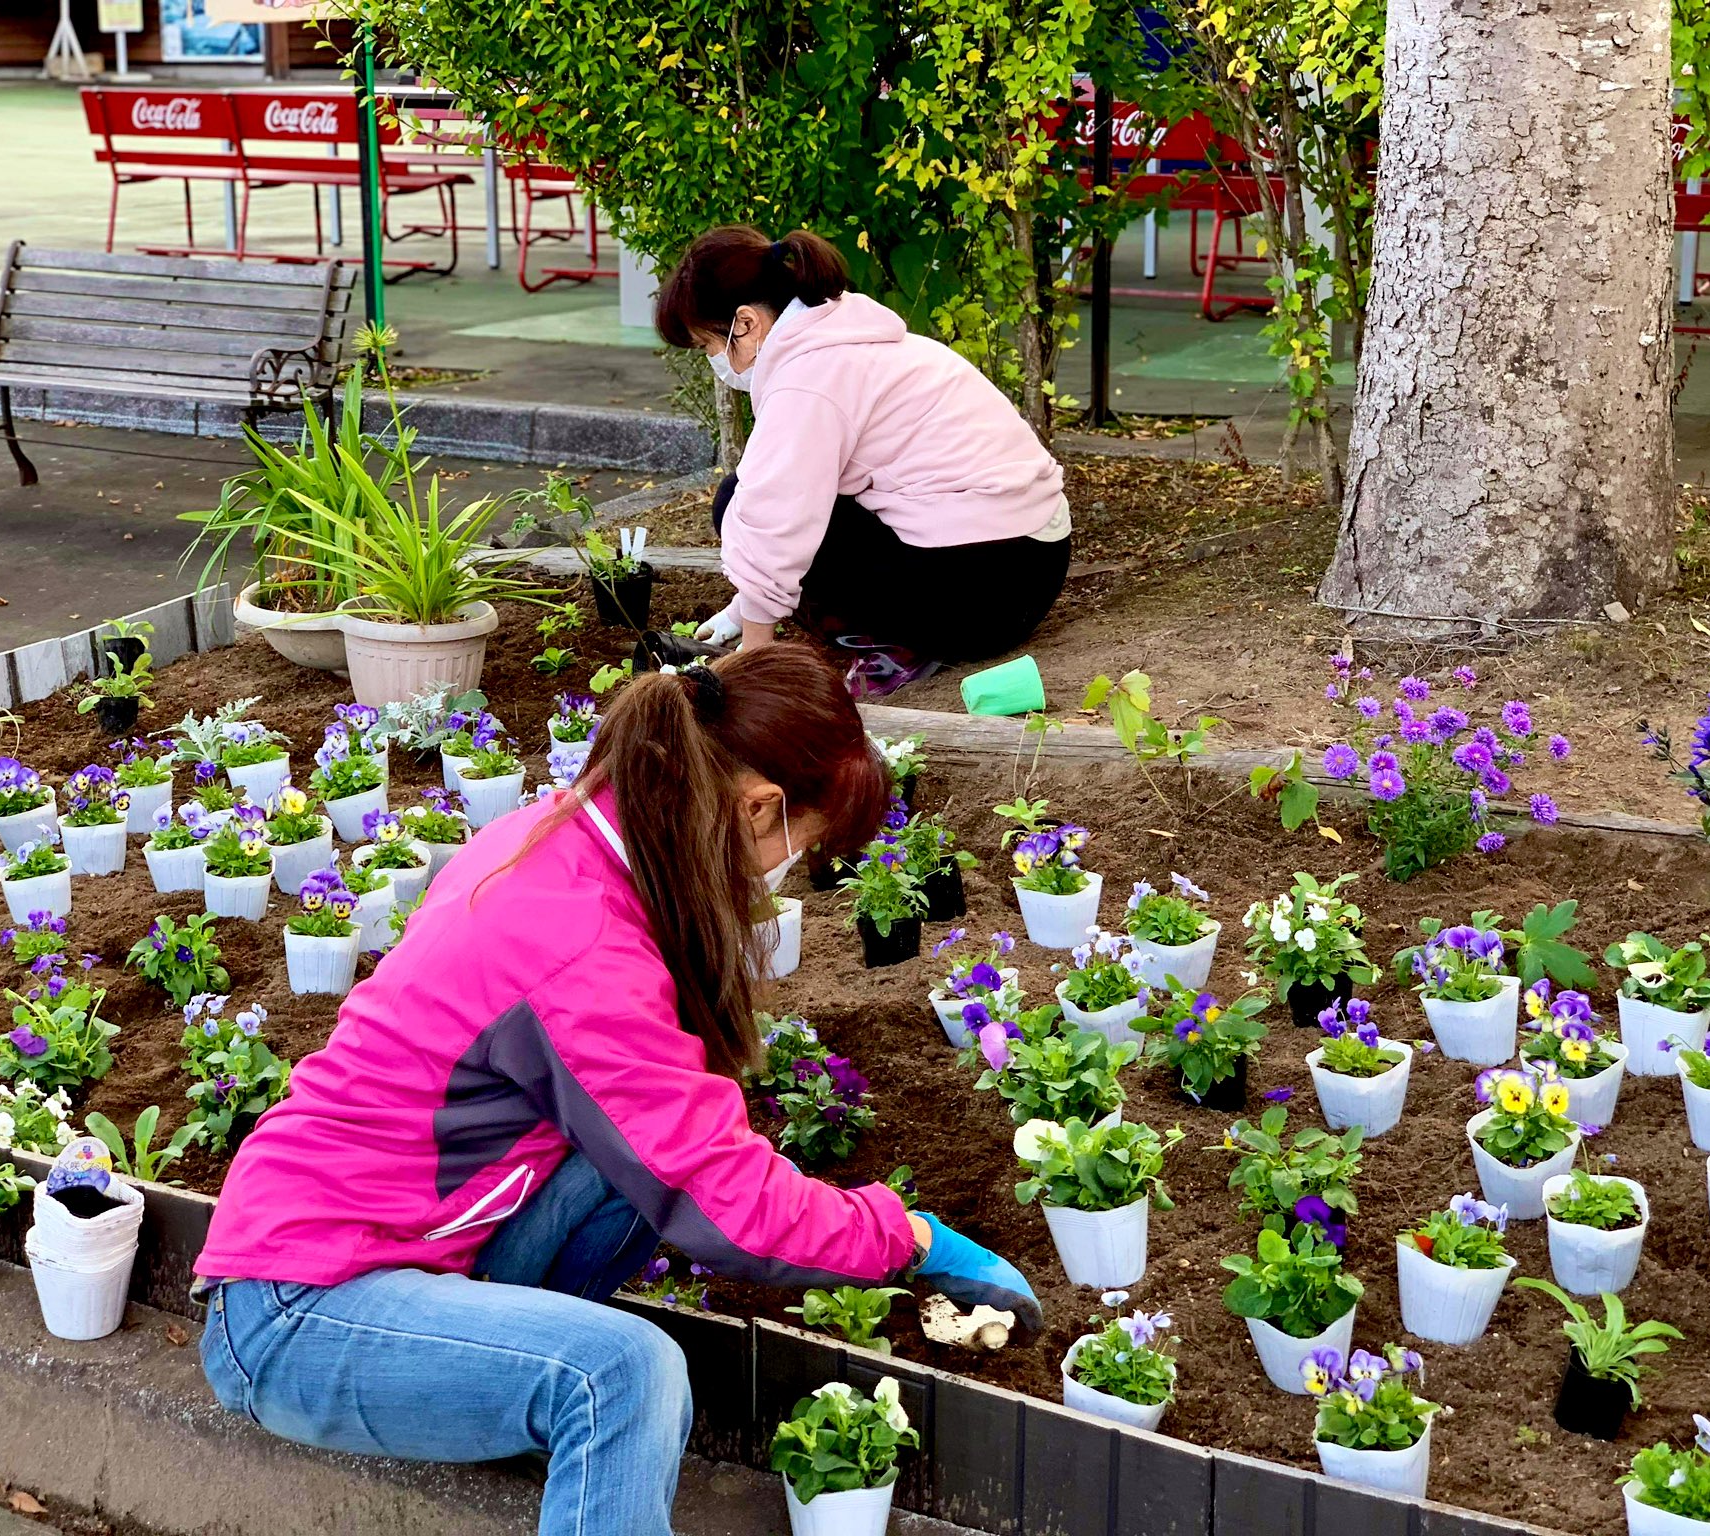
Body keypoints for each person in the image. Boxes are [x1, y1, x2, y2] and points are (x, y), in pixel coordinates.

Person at [193, 645, 1042, 1536]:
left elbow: (684, 1147)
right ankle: (569, 1418)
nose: (789, 869)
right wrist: (906, 1237)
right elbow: (726, 1205)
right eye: (807, 843)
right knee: (623, 1376)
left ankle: (529, 1404)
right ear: (759, 808)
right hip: (298, 1307)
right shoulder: (576, 943)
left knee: (639, 1161)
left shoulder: (572, 838)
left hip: (412, 1244)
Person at [655, 225, 1072, 683]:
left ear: (746, 323)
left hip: (980, 598)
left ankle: (898, 647)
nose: (713, 358)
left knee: (741, 502)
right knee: (749, 492)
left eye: (709, 345)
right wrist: (740, 611)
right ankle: (906, 633)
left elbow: (776, 517)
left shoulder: (807, 378)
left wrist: (753, 664)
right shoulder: (843, 335)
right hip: (1030, 563)